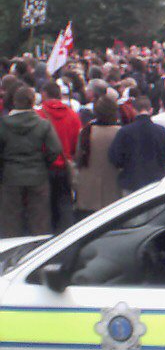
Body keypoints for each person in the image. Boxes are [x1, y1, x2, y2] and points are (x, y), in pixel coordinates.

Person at [0, 86, 63, 237]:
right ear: (33, 102)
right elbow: (55, 149)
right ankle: (38, 252)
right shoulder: (43, 124)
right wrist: (43, 164)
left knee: (10, 220)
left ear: (15, 101)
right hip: (38, 175)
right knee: (40, 220)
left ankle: (11, 255)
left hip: (11, 175)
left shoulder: (3, 124)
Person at [38, 81, 82, 232]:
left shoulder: (39, 115)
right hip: (65, 166)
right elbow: (77, 143)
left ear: (44, 94)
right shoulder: (73, 115)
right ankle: (66, 237)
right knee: (65, 205)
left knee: (46, 207)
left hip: (44, 167)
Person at [107, 96, 165, 194]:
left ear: (134, 111)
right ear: (151, 110)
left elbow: (115, 157)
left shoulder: (124, 132)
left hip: (131, 182)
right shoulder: (161, 131)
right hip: (155, 183)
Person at [74, 95, 122, 219]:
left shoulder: (86, 132)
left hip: (88, 189)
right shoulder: (120, 133)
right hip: (113, 190)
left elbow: (78, 158)